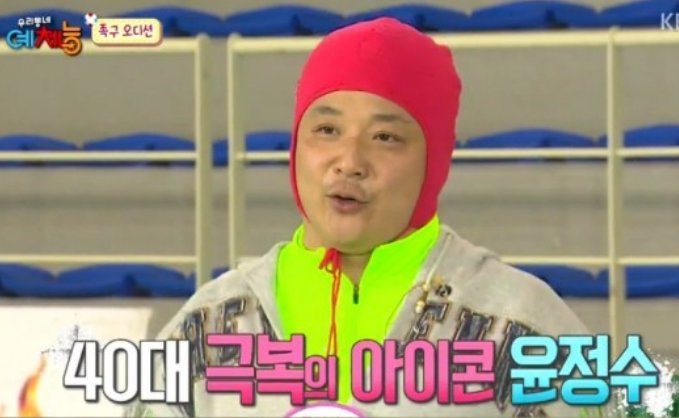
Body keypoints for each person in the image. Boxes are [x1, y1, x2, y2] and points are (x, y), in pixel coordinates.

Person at [127, 17, 592, 418]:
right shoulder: (206, 328)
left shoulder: (519, 323)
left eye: (386, 137)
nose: (349, 161)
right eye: (326, 129)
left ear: (433, 162)